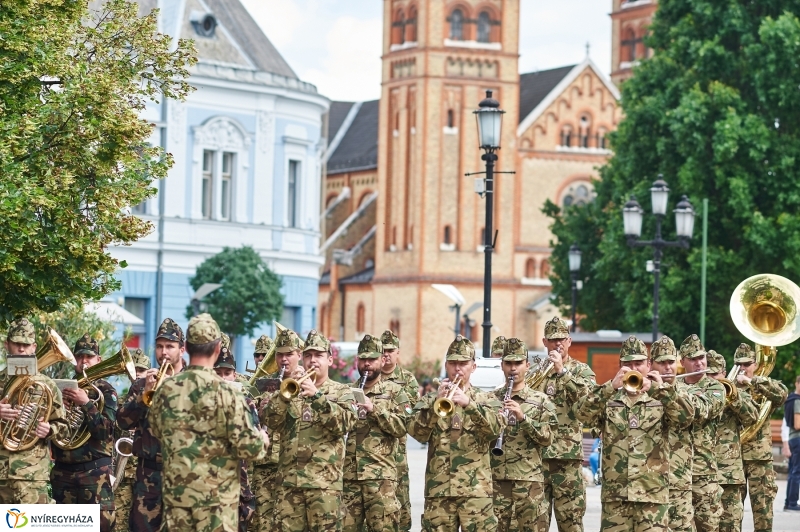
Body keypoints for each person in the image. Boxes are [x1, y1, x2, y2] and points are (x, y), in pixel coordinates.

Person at [148, 313, 269, 530]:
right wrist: (262, 439)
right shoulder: (229, 393)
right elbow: (249, 449)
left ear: (187, 347)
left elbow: (156, 430)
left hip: (178, 503)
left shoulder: (166, 389)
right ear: (217, 349)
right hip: (217, 507)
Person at [575, 335, 695, 532]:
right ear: (620, 366)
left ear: (648, 365)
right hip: (616, 498)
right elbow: (580, 413)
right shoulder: (609, 399)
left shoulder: (661, 396)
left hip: (652, 495)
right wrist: (609, 387)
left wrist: (658, 389)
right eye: (627, 364)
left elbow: (686, 417)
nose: (634, 368)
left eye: (638, 363)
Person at [407, 335, 505, 532]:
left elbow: (495, 431)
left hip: (476, 491)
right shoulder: (430, 400)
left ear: (473, 367)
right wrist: (435, 405)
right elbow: (418, 434)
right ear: (446, 365)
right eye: (452, 363)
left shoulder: (487, 399)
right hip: (439, 490)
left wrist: (469, 405)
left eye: (463, 363)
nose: (457, 369)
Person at [263, 329, 357, 532]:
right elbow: (270, 421)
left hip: (324, 486)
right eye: (308, 355)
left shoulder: (342, 391)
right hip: (289, 485)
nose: (312, 360)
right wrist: (284, 396)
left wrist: (317, 396)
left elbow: (344, 424)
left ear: (330, 360)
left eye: (318, 355)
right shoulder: (290, 389)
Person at [117, 317, 187, 531]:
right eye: (159, 346)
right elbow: (122, 421)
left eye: (170, 346)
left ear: (182, 349)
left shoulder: (193, 383)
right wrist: (144, 395)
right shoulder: (142, 384)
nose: (164, 352)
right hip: (148, 472)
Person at [532, 317, 595, 532]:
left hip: (568, 460)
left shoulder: (581, 370)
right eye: (552, 339)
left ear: (569, 341)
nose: (557, 343)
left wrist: (562, 372)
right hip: (538, 458)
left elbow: (589, 402)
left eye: (561, 339)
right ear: (544, 342)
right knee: (535, 523)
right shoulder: (535, 371)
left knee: (571, 523)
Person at [51, 334, 119, 531]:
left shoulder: (106, 391)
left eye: (89, 357)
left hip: (94, 474)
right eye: (80, 357)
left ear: (98, 360)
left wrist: (87, 404)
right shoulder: (62, 388)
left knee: (100, 527)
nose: (84, 361)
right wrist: (59, 409)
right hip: (63, 472)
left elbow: (106, 432)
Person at [343, 334, 410, 532]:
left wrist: (374, 409)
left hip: (381, 478)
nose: (367, 364)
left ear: (382, 360)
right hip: (350, 477)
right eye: (363, 359)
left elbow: (403, 426)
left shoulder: (395, 392)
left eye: (372, 359)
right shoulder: (347, 391)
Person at [490, 338, 557, 532]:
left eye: (518, 363)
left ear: (527, 365)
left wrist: (523, 418)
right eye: (508, 363)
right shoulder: (491, 399)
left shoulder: (541, 400)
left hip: (529, 483)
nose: (513, 368)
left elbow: (547, 438)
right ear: (502, 365)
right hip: (496, 481)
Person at [0, 318, 68, 503]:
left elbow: (64, 428)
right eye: (17, 344)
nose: (21, 349)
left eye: (26, 344)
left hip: (32, 476)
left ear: (34, 347)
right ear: (7, 345)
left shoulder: (48, 385)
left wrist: (49, 430)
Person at [649, 335, 708, 532]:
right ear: (651, 365)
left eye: (671, 362)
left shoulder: (687, 392)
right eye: (662, 363)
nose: (668, 367)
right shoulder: (642, 389)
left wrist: (664, 390)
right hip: (649, 482)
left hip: (678, 480)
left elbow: (692, 414)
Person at [734, 343, 788, 532]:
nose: (742, 368)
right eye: (738, 364)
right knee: (731, 514)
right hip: (734, 459)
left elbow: (782, 394)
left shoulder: (763, 384)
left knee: (763, 513)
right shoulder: (730, 388)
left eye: (747, 364)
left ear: (755, 364)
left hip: (760, 459)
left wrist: (753, 381)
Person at [707, 350, 759, 532]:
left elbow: (752, 417)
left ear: (724, 373)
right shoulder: (696, 393)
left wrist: (733, 397)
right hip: (701, 474)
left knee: (731, 525)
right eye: (708, 374)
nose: (712, 379)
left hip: (729, 475)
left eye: (715, 374)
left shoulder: (735, 392)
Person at [253, 332, 300, 532]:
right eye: (280, 354)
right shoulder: (263, 382)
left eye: (289, 354)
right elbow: (249, 412)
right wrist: (260, 406)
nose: (284, 359)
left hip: (294, 465)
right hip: (265, 462)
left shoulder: (310, 382)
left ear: (299, 355)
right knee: (263, 522)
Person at [679, 335, 725, 532]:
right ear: (682, 362)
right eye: (693, 359)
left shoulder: (715, 387)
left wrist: (671, 393)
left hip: (704, 472)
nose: (699, 363)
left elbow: (701, 411)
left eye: (701, 358)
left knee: (708, 526)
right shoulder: (674, 385)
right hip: (677, 472)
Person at [214, 343, 258, 532]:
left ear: (235, 375)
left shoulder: (246, 403)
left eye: (227, 373)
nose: (223, 378)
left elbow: (254, 442)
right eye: (218, 373)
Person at [379, 329, 419, 532]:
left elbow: (410, 412)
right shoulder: (370, 376)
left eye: (390, 350)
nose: (386, 354)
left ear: (398, 352)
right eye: (383, 350)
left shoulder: (407, 379)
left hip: (397, 449)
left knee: (400, 494)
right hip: (372, 447)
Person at [114, 348, 150, 532]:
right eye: (134, 370)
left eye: (142, 370)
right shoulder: (120, 400)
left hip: (145, 471)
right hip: (125, 472)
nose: (137, 374)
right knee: (120, 522)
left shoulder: (153, 396)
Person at [784, 374, 800, 511]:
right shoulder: (797, 401)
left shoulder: (790, 399)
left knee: (792, 471)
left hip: (792, 438)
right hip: (798, 438)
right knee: (797, 472)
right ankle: (793, 503)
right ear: (797, 383)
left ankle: (788, 502)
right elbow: (797, 424)